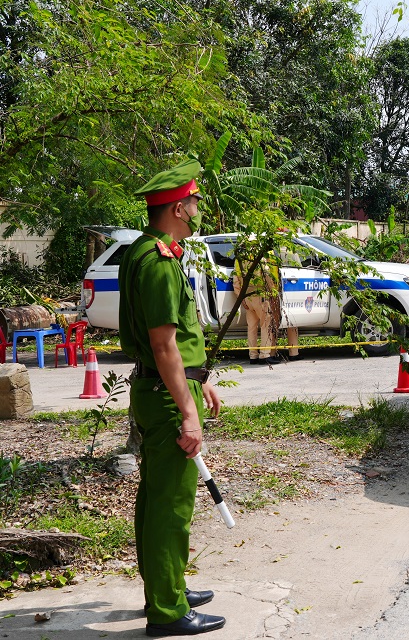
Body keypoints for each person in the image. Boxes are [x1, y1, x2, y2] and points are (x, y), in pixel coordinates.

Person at [119, 158, 226, 636]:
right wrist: (189, 413)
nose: (200, 208)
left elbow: (172, 340)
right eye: (196, 202)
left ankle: (168, 586)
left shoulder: (142, 251)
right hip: (165, 398)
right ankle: (167, 610)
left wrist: (200, 377)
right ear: (180, 208)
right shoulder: (159, 263)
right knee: (170, 504)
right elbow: (163, 345)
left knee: (156, 498)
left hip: (160, 388)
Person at [232, 243, 280, 366]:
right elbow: (267, 275)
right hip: (261, 296)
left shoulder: (239, 260)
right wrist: (273, 291)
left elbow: (236, 282)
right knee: (265, 325)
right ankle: (265, 355)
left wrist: (241, 298)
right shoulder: (259, 257)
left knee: (251, 328)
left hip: (247, 297)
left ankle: (253, 356)